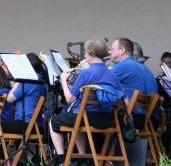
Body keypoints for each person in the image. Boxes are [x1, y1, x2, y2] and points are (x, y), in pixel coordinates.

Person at [49, 38, 125, 166]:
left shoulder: (86, 73)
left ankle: (61, 161)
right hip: (107, 119)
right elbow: (121, 92)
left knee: (53, 121)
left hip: (88, 117)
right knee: (77, 120)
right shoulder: (111, 74)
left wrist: (63, 80)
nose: (84, 55)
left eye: (85, 52)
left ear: (92, 54)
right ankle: (84, 159)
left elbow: (69, 99)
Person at [109, 37, 158, 129]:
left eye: (112, 49)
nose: (109, 52)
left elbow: (98, 79)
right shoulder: (137, 66)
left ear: (122, 50)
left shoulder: (123, 66)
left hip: (128, 118)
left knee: (92, 114)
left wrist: (90, 66)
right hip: (139, 117)